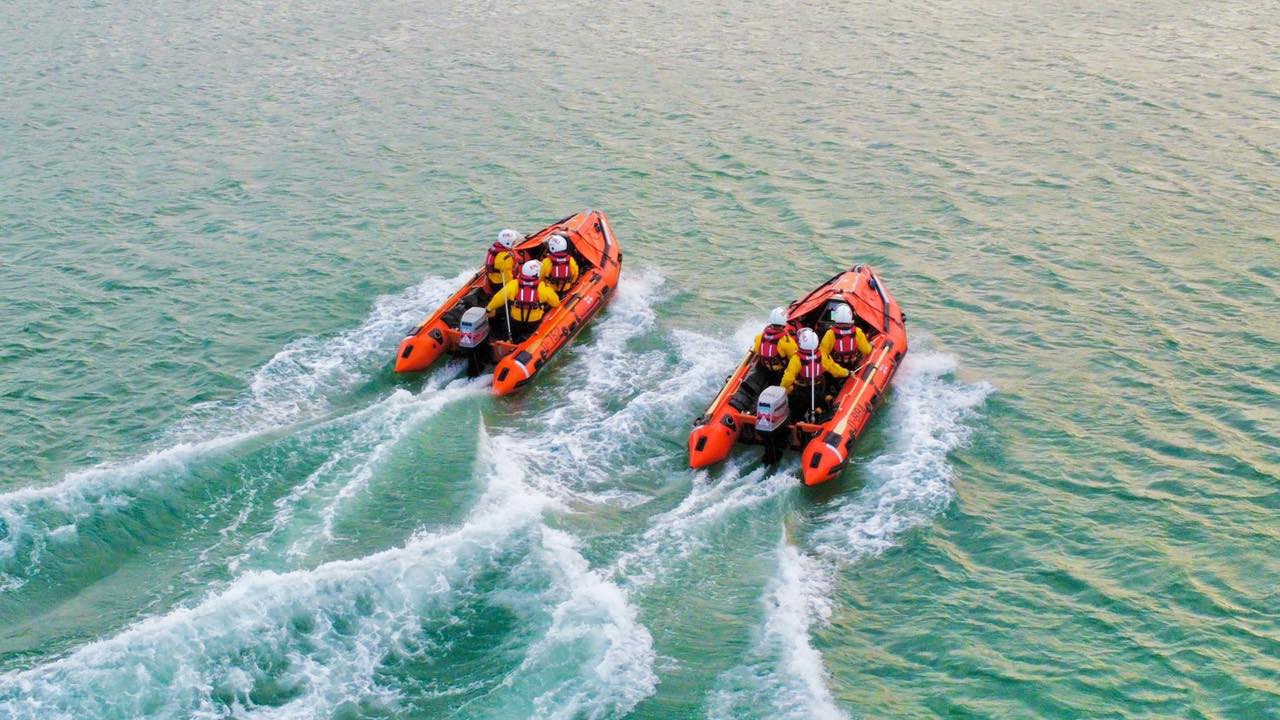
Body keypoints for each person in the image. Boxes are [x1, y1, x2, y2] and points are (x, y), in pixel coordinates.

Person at [781, 327, 850, 421]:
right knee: (820, 398)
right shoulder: (822, 355)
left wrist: (782, 389)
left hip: (801, 390)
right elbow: (835, 370)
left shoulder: (796, 359)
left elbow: (788, 378)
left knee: (795, 410)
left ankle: (799, 421)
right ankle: (821, 408)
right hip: (819, 387)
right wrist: (847, 373)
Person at [486, 259, 561, 341]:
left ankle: (506, 341)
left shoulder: (513, 284)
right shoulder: (543, 288)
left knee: (507, 328)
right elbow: (555, 302)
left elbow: (499, 297)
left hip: (515, 321)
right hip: (533, 323)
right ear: (537, 274)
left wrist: (490, 307)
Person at [821, 303, 872, 369]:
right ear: (850, 316)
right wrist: (870, 345)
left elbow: (823, 353)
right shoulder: (858, 332)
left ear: (835, 317)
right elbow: (867, 350)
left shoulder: (830, 333)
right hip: (852, 365)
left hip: (836, 365)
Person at [752, 307, 797, 379]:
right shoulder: (787, 341)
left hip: (764, 366)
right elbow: (794, 358)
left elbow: (757, 351)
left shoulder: (759, 337)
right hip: (779, 370)